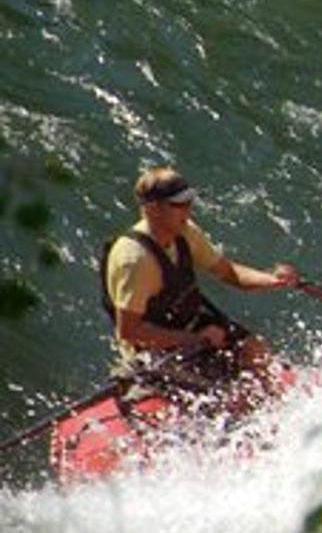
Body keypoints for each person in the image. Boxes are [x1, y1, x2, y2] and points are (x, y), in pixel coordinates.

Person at [102, 167, 301, 396]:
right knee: (228, 396)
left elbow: (228, 273)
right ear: (152, 208)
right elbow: (130, 330)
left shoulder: (186, 232)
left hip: (193, 325)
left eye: (189, 202)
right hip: (156, 348)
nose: (188, 210)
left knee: (256, 352)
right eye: (178, 204)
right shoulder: (134, 260)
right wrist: (194, 339)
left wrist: (272, 280)